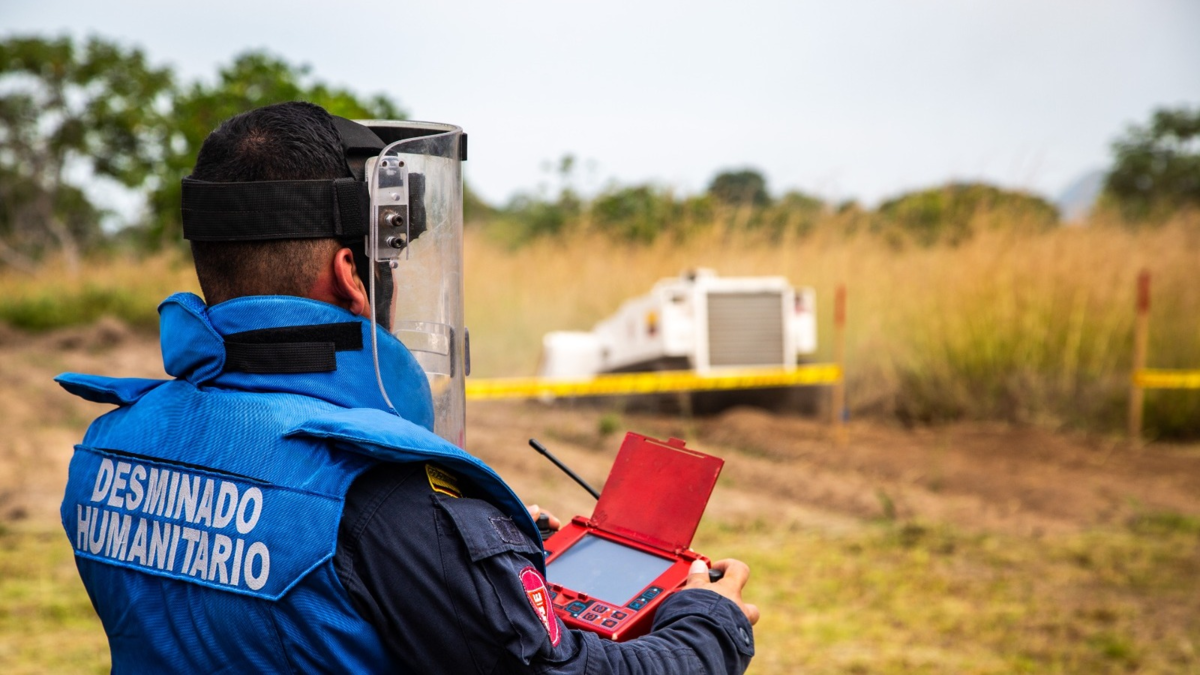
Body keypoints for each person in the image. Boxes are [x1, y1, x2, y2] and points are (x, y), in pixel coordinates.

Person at [58, 101, 758, 673]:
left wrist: (470, 559)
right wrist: (712, 622)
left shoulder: (110, 444)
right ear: (348, 276)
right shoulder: (381, 498)